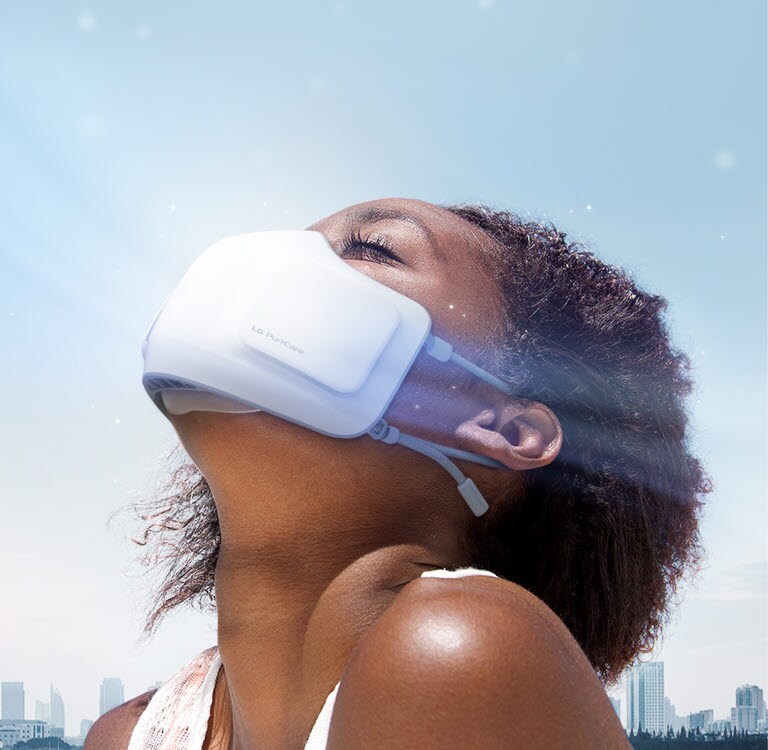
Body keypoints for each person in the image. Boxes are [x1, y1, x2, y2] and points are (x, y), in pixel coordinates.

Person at [85, 197, 710, 749]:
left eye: (370, 248)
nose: (282, 265)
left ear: (502, 428)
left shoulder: (456, 651)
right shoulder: (126, 734)